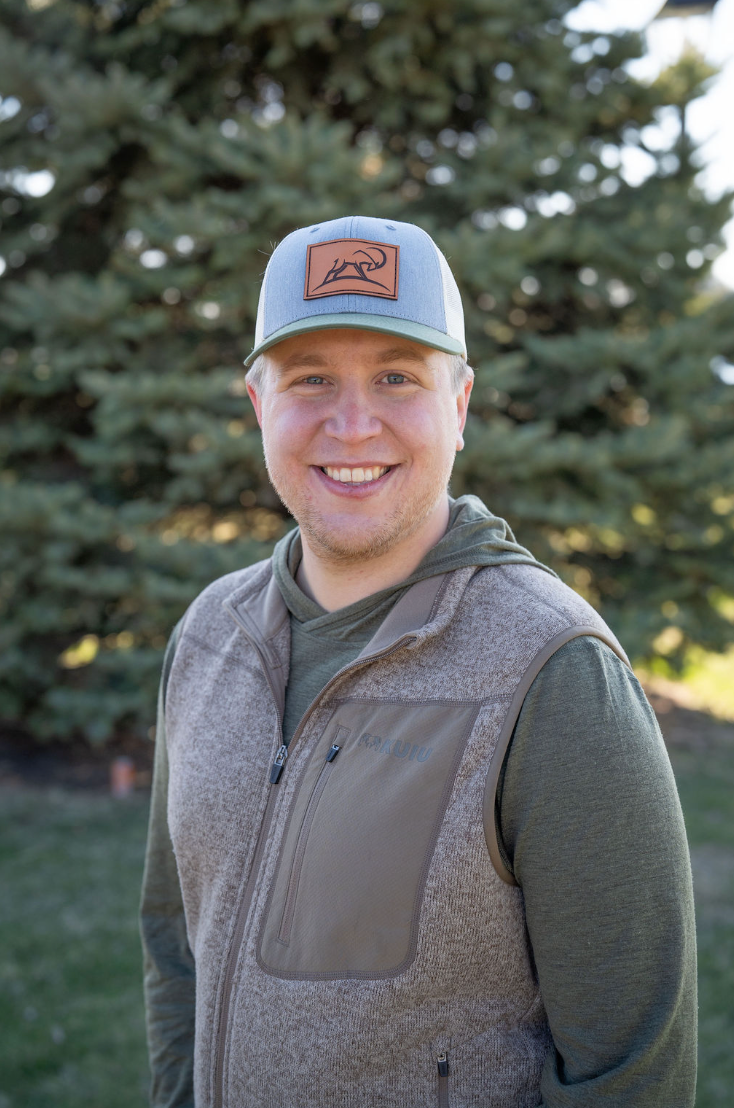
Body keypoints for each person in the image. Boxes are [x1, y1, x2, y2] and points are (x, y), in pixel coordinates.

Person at [140, 215, 697, 1108]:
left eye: (396, 378)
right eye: (311, 378)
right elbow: (176, 949)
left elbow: (629, 1073)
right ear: (257, 405)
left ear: (461, 405)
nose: (352, 425)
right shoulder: (209, 637)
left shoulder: (554, 674)